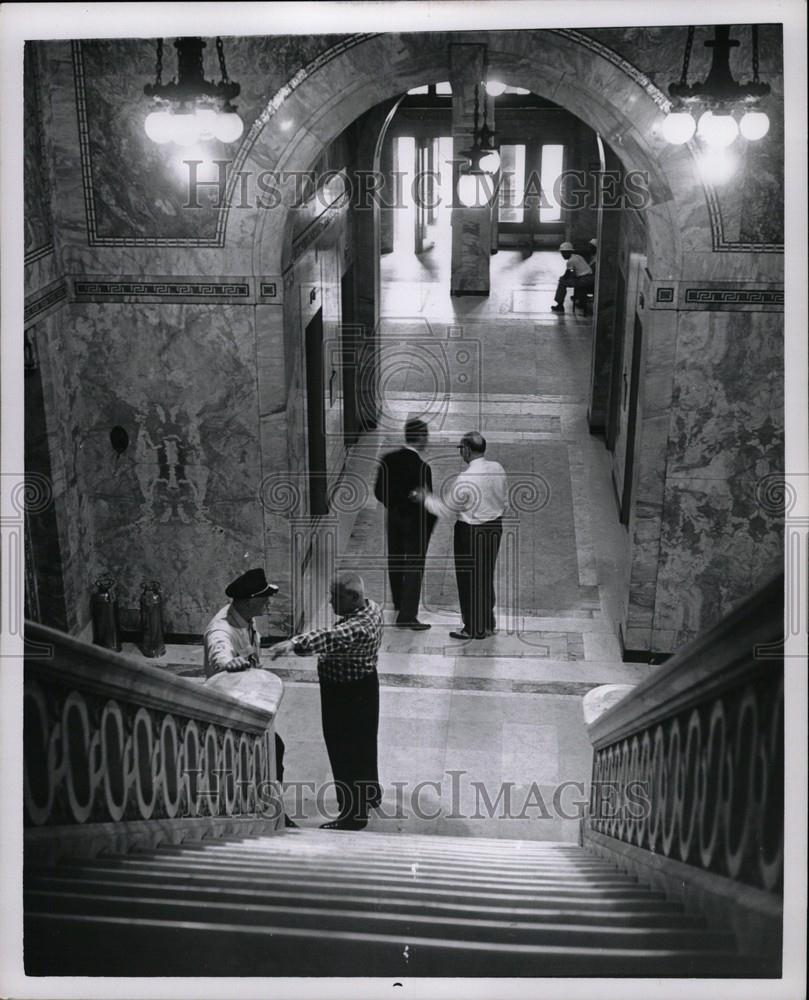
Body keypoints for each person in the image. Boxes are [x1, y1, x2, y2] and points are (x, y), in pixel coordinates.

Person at [270, 572, 384, 831]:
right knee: (364, 746)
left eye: (335, 596)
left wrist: (293, 643)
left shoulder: (358, 627)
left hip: (345, 694)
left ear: (354, 597)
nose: (330, 602)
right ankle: (371, 793)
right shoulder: (373, 608)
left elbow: (335, 637)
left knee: (344, 751)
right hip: (366, 686)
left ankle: (353, 815)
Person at [204, 567, 296, 827]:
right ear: (249, 600)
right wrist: (229, 663)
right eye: (264, 598)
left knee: (273, 751)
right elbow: (219, 654)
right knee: (261, 757)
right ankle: (265, 813)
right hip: (230, 709)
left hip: (249, 702)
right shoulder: (221, 631)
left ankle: (272, 808)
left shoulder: (245, 616)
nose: (268, 602)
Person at [412, 431, 507, 640]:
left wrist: (424, 498)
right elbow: (504, 500)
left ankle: (472, 627)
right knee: (485, 575)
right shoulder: (497, 468)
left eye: (460, 449)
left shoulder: (466, 479)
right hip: (495, 528)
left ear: (466, 450)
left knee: (468, 579)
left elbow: (445, 509)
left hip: (471, 532)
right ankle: (487, 623)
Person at [374, 417, 437, 630]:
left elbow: (378, 492)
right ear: (420, 438)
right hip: (415, 522)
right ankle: (407, 616)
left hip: (393, 518)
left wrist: (395, 505)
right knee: (414, 565)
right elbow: (426, 500)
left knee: (396, 560)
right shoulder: (422, 467)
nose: (427, 440)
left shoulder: (388, 460)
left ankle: (399, 603)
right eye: (426, 436)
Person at [551, 241, 594, 313]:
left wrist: (562, 278)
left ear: (568, 252)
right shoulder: (578, 256)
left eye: (563, 253)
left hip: (584, 280)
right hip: (590, 278)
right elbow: (574, 272)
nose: (562, 255)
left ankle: (560, 305)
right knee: (564, 280)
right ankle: (578, 300)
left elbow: (567, 275)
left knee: (562, 282)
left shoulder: (570, 261)